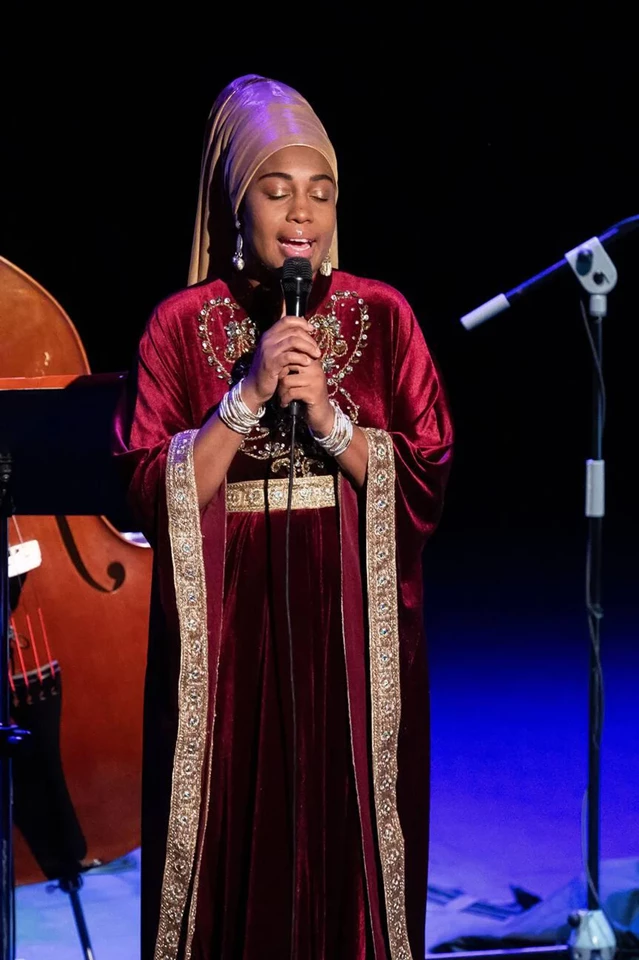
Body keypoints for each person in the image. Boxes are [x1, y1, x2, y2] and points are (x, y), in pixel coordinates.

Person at [113, 73, 453, 960]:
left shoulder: (384, 318)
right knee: (233, 833)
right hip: (231, 634)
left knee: (348, 844)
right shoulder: (180, 328)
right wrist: (245, 398)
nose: (301, 213)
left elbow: (427, 474)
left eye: (320, 190)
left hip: (352, 636)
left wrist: (337, 426)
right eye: (276, 189)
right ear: (236, 199)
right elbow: (146, 489)